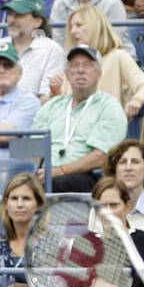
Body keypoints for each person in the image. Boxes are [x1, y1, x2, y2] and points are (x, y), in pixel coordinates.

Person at [33, 43, 126, 192]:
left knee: (51, 185)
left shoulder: (109, 106)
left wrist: (61, 170)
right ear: (67, 74)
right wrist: (29, 175)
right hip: (46, 175)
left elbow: (100, 156)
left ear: (99, 73)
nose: (80, 70)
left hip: (86, 176)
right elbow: (32, 148)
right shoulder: (52, 106)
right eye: (74, 65)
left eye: (88, 65)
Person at [65, 4, 144, 118]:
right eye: (71, 26)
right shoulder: (73, 63)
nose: (73, 31)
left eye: (79, 25)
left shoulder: (119, 56)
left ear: (95, 27)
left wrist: (137, 100)